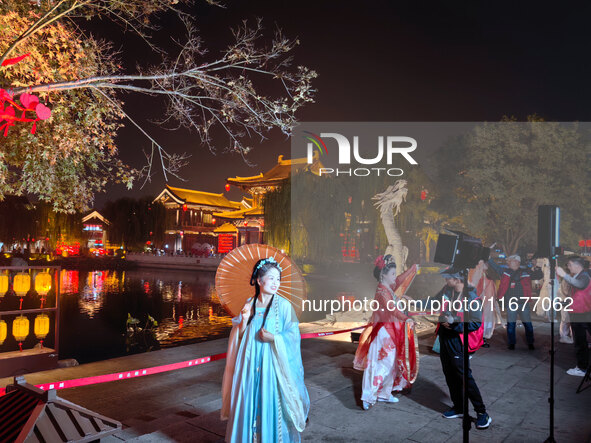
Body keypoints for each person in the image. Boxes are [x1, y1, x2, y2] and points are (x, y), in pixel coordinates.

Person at [221, 257, 309, 442]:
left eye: (278, 279)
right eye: (271, 278)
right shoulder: (249, 303)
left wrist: (274, 338)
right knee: (249, 399)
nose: (276, 283)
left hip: (272, 364)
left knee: (271, 402)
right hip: (250, 362)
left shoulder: (284, 306)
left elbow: (293, 335)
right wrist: (243, 321)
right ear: (259, 281)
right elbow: (241, 335)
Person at [424, 267, 491, 429]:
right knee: (449, 374)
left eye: (448, 278)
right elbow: (433, 301)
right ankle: (459, 407)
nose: (446, 281)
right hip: (445, 338)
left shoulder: (473, 298)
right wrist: (412, 301)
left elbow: (475, 322)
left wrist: (455, 325)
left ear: (458, 279)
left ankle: (482, 413)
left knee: (464, 377)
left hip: (458, 340)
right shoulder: (448, 290)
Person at [353, 255, 419, 410]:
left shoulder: (388, 287)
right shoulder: (382, 292)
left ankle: (385, 393)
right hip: (384, 333)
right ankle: (368, 397)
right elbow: (392, 309)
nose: (395, 277)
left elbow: (399, 281)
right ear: (383, 275)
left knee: (392, 364)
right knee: (378, 365)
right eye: (393, 274)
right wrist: (406, 318)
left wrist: (411, 270)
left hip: (391, 331)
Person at [488, 255, 543, 350]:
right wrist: (489, 257)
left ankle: (530, 343)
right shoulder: (505, 272)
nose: (510, 262)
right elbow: (495, 266)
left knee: (528, 324)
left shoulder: (526, 272)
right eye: (511, 261)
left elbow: (539, 275)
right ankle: (511, 343)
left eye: (513, 261)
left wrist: (537, 266)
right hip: (511, 303)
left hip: (523, 302)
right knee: (511, 324)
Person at [556, 256, 591, 377]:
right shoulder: (581, 275)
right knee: (581, 341)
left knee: (580, 342)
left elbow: (580, 285)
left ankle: (582, 368)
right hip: (581, 311)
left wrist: (564, 275)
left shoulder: (584, 276)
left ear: (577, 265)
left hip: (581, 313)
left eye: (570, 265)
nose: (568, 267)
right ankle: (583, 366)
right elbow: (579, 294)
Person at [469, 260, 502, 347]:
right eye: (484, 263)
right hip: (482, 300)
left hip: (489, 301)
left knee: (486, 319)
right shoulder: (478, 274)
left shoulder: (487, 274)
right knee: (481, 319)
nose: (486, 264)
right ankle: (479, 338)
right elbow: (475, 287)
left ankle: (482, 338)